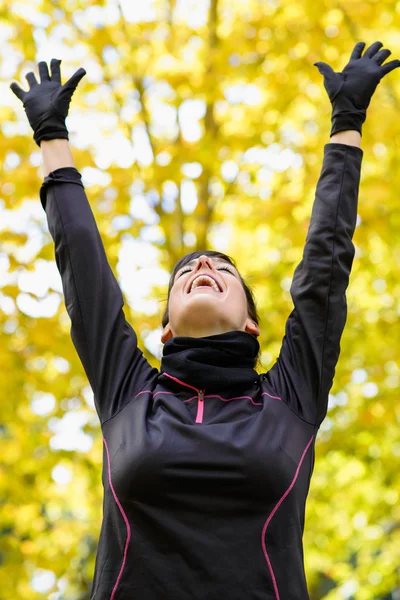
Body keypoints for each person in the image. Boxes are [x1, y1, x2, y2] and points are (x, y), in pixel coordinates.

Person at [10, 42, 399, 600]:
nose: (201, 268)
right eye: (186, 271)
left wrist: (347, 126)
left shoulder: (290, 396)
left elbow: (324, 273)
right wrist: (52, 137)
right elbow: (84, 273)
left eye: (222, 269)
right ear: (164, 329)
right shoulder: (129, 394)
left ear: (252, 326)